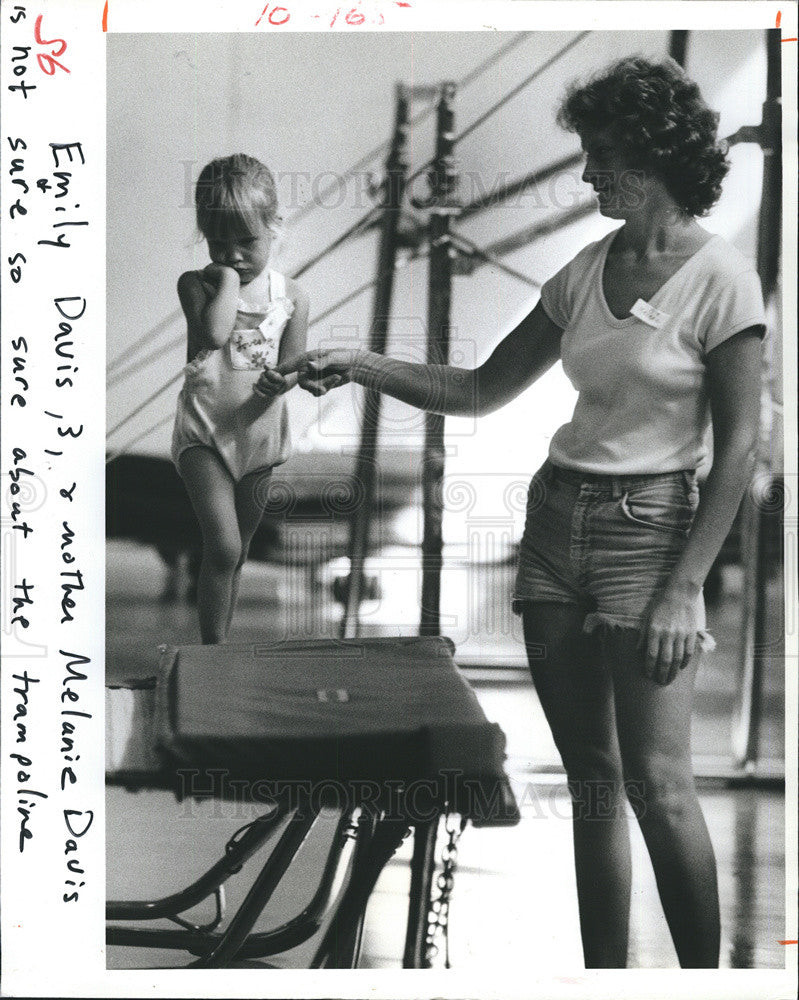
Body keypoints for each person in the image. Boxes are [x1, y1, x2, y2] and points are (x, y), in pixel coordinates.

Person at [284, 57, 767, 968]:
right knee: (592, 782)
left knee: (660, 787)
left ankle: (707, 987)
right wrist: (359, 363)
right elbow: (475, 389)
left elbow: (739, 447)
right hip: (552, 531)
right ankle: (604, 981)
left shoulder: (721, 280)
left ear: (656, 152)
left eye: (603, 156)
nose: (588, 175)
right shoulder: (584, 272)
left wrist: (684, 590)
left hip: (651, 535)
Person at [172, 153, 309, 644]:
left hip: (259, 434)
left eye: (246, 242)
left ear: (275, 228)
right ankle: (210, 652)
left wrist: (286, 380)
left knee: (241, 549)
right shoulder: (199, 285)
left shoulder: (291, 294)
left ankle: (221, 647)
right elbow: (213, 333)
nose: (231, 254)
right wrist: (228, 279)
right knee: (223, 546)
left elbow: (293, 360)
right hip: (206, 434)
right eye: (218, 242)